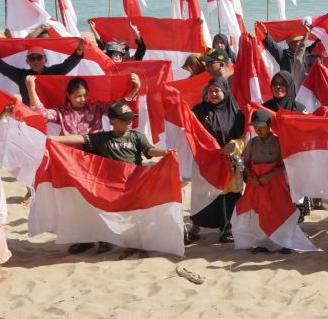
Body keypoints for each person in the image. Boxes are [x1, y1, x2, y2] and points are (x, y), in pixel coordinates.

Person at [50, 102, 168, 257]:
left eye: (130, 119)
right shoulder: (103, 138)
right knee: (116, 215)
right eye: (124, 120)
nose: (129, 123)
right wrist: (53, 139)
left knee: (137, 216)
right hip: (113, 188)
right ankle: (114, 241)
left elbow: (150, 151)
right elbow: (81, 138)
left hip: (135, 184)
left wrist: (165, 152)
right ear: (112, 121)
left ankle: (139, 245)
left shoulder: (136, 136)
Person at [186, 77, 246, 244]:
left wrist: (234, 145)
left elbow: (244, 137)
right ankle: (195, 227)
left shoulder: (237, 114)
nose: (213, 94)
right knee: (202, 194)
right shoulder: (199, 111)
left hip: (229, 161)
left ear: (225, 91)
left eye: (216, 91)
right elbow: (189, 127)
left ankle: (226, 229)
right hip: (206, 162)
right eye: (210, 91)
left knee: (229, 195)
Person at [237, 109, 293, 254]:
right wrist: (251, 177)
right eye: (255, 126)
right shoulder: (252, 143)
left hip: (276, 183)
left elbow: (285, 163)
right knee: (259, 212)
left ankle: (284, 242)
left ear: (269, 125)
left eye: (261, 126)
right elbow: (245, 162)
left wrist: (270, 175)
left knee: (280, 210)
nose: (258, 129)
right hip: (256, 184)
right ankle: (263, 243)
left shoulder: (278, 142)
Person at [0, 39, 85, 105]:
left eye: (39, 57)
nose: (36, 61)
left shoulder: (54, 71)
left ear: (45, 60)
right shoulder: (21, 75)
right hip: (31, 115)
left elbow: (70, 62)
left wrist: (79, 49)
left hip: (53, 113)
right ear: (27, 61)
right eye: (32, 58)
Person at [27, 74, 141, 136]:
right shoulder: (61, 112)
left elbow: (119, 107)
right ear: (68, 95)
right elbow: (41, 114)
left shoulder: (97, 108)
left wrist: (135, 89)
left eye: (85, 95)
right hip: (70, 155)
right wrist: (31, 89)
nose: (82, 99)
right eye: (78, 96)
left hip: (95, 152)